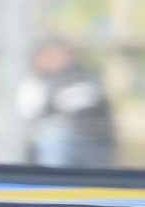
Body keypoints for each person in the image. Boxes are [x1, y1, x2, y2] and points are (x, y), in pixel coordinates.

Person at [19, 36, 117, 167]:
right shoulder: (39, 80)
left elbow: (72, 120)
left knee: (54, 137)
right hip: (54, 144)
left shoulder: (82, 78)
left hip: (91, 147)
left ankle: (50, 183)